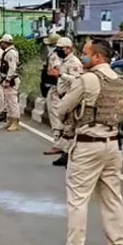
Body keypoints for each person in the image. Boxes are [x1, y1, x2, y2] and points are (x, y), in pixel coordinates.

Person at [51, 39, 123, 245]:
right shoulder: (120, 81)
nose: (83, 57)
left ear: (97, 57)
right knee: (112, 197)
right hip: (112, 143)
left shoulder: (87, 80)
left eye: (86, 53)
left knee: (78, 199)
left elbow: (62, 107)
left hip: (88, 144)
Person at [49, 36, 84, 166]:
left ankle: (69, 155)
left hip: (70, 97)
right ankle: (66, 153)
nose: (58, 51)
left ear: (68, 49)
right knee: (66, 126)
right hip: (62, 95)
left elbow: (77, 81)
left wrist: (60, 75)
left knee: (69, 127)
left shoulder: (74, 63)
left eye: (61, 49)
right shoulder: (63, 61)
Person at [41, 34, 64, 156]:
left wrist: (51, 75)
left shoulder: (55, 56)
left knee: (55, 116)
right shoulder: (58, 55)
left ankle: (58, 144)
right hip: (57, 89)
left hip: (55, 89)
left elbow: (56, 72)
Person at [0, 34, 21, 132]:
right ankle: (9, 120)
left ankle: (15, 122)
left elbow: (12, 68)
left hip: (11, 80)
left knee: (12, 102)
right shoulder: (7, 52)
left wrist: (8, 80)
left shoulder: (11, 53)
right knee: (7, 102)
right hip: (7, 79)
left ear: (5, 43)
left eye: (2, 42)